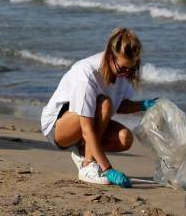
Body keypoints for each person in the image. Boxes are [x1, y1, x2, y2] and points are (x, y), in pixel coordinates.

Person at [40, 28, 158, 187]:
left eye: (131, 69)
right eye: (123, 69)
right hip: (56, 126)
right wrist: (108, 169)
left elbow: (120, 104)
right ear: (110, 56)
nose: (126, 74)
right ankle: (87, 165)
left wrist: (145, 105)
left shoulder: (122, 72)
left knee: (125, 139)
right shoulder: (87, 73)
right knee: (105, 104)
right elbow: (87, 128)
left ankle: (83, 153)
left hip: (87, 122)